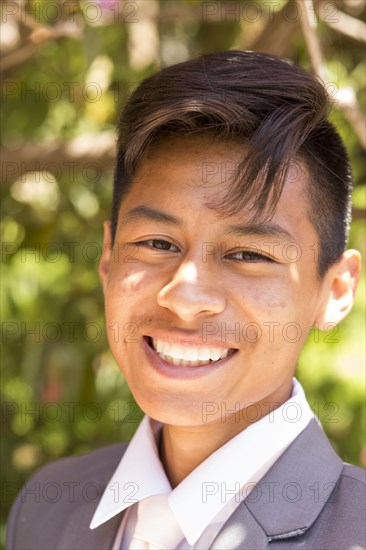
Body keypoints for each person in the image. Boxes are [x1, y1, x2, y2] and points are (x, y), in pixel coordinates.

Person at [6, 51, 365, 550]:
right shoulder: (47, 506)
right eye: (156, 243)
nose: (185, 296)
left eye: (248, 253)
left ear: (337, 291)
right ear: (109, 257)